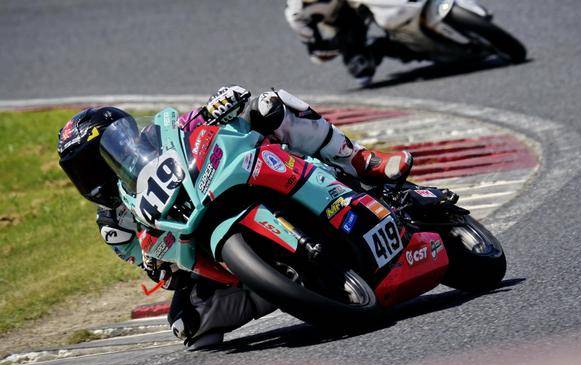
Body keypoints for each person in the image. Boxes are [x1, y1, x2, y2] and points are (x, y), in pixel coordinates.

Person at [57, 87, 413, 350]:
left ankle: (361, 161)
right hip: (211, 261)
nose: (98, 174)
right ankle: (284, 286)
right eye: (84, 171)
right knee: (188, 327)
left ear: (126, 137)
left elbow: (196, 121)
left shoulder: (159, 138)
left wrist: (222, 103)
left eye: (101, 158)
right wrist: (158, 267)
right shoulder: (114, 225)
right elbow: (154, 267)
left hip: (227, 187)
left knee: (269, 105)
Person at [285, 0, 431, 86]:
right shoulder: (296, 14)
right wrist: (345, 42)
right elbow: (317, 53)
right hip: (343, 23)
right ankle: (412, 48)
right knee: (361, 68)